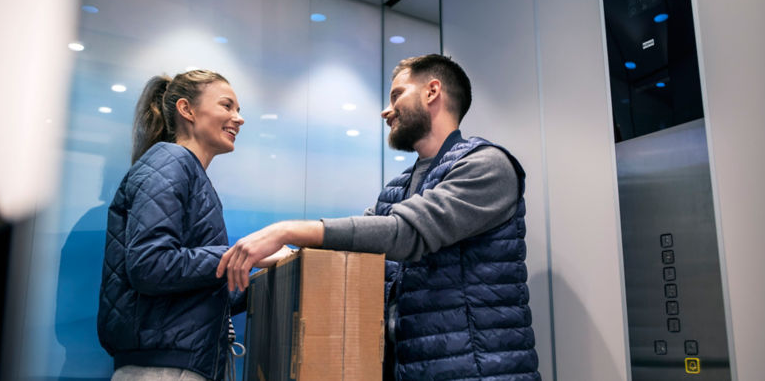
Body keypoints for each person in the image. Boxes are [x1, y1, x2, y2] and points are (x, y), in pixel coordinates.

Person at [217, 54, 541, 380]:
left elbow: (405, 234)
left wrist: (288, 230)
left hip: (478, 372)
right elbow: (354, 248)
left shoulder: (486, 165)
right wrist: (272, 264)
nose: (387, 111)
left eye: (397, 95)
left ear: (432, 91)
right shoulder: (398, 188)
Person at [97, 70, 264, 380]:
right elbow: (150, 264)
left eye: (238, 109)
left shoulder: (189, 173)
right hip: (163, 369)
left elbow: (196, 290)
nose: (238, 118)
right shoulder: (171, 160)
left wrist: (263, 277)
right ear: (187, 110)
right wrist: (242, 255)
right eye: (227, 106)